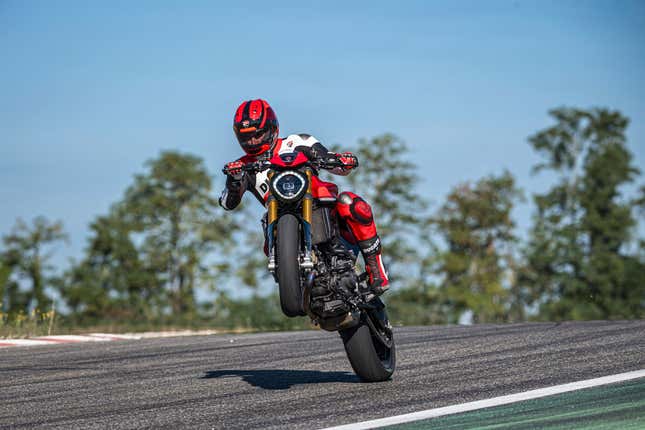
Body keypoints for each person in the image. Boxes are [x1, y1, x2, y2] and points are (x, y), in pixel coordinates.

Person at [219, 99, 389, 294]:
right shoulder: (242, 166)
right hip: (278, 216)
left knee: (352, 203)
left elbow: (335, 165)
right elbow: (226, 203)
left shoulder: (298, 142)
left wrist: (341, 160)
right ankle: (293, 275)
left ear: (272, 128)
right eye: (246, 137)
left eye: (258, 135)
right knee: (266, 231)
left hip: (320, 204)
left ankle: (376, 270)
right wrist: (233, 182)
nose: (252, 142)